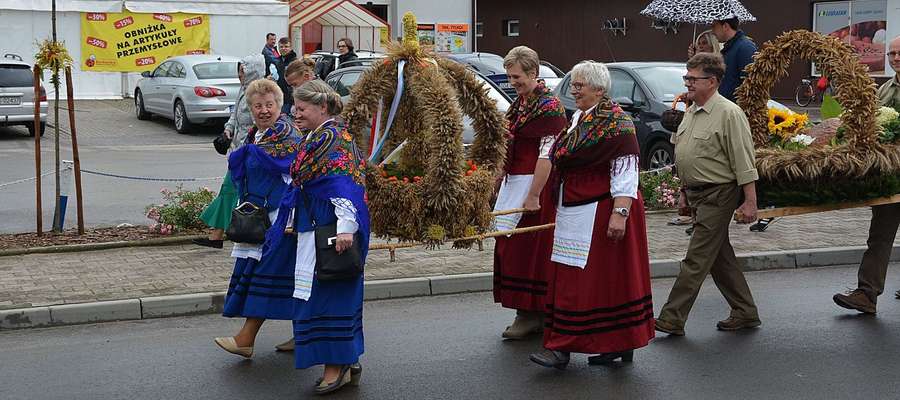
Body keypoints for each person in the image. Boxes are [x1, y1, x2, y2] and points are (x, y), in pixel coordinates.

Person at [529, 60, 654, 369]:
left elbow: (625, 172)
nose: (574, 89)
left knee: (590, 281)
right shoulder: (579, 119)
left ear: (599, 89)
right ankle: (612, 344)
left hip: (597, 211)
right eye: (573, 84)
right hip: (573, 208)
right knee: (582, 280)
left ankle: (563, 348)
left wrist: (620, 214)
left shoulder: (617, 123)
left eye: (580, 85)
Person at [655, 53, 761, 337]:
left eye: (693, 78)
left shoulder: (729, 113)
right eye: (686, 77)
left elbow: (744, 161)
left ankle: (671, 317)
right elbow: (684, 154)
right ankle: (745, 311)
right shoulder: (691, 110)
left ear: (712, 81)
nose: (687, 83)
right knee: (718, 256)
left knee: (697, 258)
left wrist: (750, 201)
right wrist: (682, 193)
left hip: (719, 193)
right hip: (697, 194)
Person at [273, 80, 368, 395]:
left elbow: (345, 186)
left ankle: (335, 365)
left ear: (323, 107)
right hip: (314, 225)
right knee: (313, 293)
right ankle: (347, 358)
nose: (294, 114)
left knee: (329, 296)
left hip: (331, 229)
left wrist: (345, 229)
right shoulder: (316, 137)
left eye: (301, 108)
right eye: (294, 108)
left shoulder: (335, 140)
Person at [213, 78, 303, 357]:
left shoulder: (287, 134)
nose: (264, 110)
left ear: (279, 105)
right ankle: (303, 335)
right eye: (257, 106)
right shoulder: (256, 135)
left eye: (269, 104)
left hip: (278, 219)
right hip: (257, 217)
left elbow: (290, 171)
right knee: (286, 279)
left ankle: (245, 339)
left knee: (266, 276)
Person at [493, 46, 566, 340]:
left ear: (533, 74)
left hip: (535, 183)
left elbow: (547, 154)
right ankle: (525, 310)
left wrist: (534, 194)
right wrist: (498, 179)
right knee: (510, 247)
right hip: (515, 182)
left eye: (517, 76)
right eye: (510, 77)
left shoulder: (549, 108)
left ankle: (534, 312)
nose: (513, 82)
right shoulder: (520, 103)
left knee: (529, 249)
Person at [832, 36, 900, 313]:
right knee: (880, 235)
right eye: (892, 54)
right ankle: (866, 294)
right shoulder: (886, 88)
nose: (895, 58)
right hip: (889, 175)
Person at [195, 55, 267, 249]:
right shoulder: (244, 90)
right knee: (230, 191)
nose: (239, 74)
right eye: (239, 70)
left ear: (252, 70)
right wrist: (227, 131)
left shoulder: (261, 95)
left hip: (249, 154)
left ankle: (222, 234)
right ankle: (217, 235)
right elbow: (235, 115)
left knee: (231, 190)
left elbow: (261, 123)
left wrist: (250, 147)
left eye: (243, 70)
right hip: (238, 152)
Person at [710, 17, 756, 102]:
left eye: (714, 26)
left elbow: (751, 85)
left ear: (725, 26)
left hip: (736, 110)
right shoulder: (729, 48)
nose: (712, 32)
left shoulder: (745, 48)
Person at [277, 37, 298, 115]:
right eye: (281, 47)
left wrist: (294, 102)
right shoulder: (278, 61)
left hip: (289, 99)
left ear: (290, 47)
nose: (283, 49)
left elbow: (297, 83)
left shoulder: (294, 62)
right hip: (279, 98)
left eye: (286, 46)